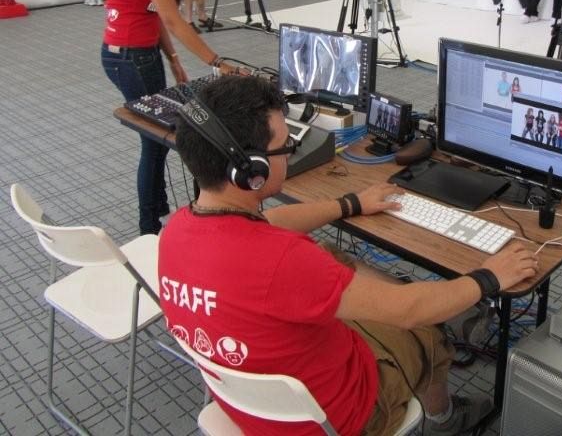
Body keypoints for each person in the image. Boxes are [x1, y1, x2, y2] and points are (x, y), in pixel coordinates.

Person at [159, 76, 539, 435]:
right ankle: (445, 417)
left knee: (328, 254)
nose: (290, 154)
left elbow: (270, 222)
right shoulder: (284, 262)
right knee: (429, 331)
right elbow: (409, 311)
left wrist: (350, 203)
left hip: (254, 405)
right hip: (344, 415)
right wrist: (490, 276)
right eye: (286, 147)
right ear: (250, 170)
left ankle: (449, 305)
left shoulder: (175, 232)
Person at [100, 0, 237, 235]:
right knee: (156, 141)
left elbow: (153, 12)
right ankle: (149, 225)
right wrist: (217, 62)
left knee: (157, 138)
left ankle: (156, 209)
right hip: (132, 57)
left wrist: (174, 59)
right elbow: (173, 19)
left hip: (130, 54)